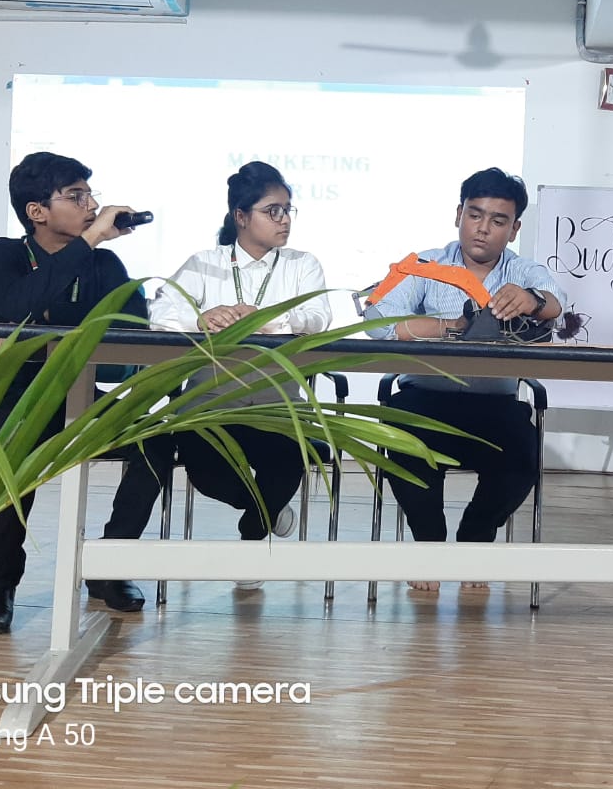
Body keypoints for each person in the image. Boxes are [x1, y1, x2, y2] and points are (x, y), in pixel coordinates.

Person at [0, 152, 174, 634]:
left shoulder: (105, 264)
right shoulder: (0, 255)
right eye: (77, 196)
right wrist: (88, 243)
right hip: (14, 395)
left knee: (156, 441)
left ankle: (109, 565)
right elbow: (18, 302)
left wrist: (45, 331)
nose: (93, 206)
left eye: (90, 195)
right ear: (37, 211)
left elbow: (131, 339)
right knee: (9, 449)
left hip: (80, 393)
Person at [364, 167, 567, 592]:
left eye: (498, 220)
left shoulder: (522, 271)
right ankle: (429, 547)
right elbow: (378, 322)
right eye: (475, 215)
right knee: (402, 443)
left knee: (522, 458)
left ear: (514, 229)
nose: (483, 228)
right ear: (459, 214)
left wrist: (531, 300)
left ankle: (475, 541)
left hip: (494, 406)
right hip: (425, 398)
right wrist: (451, 327)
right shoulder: (425, 265)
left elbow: (556, 304)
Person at [148, 162, 331, 589]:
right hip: (210, 406)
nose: (284, 220)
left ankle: (252, 539)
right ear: (241, 216)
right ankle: (267, 512)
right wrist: (200, 319)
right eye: (273, 211)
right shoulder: (205, 264)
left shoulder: (302, 264)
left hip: (276, 406)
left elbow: (317, 317)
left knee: (287, 461)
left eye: (287, 210)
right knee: (208, 473)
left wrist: (265, 320)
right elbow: (160, 314)